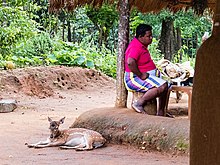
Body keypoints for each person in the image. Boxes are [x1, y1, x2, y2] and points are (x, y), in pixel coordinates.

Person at [124, 24, 168, 116]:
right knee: (162, 86)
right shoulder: (135, 47)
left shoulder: (141, 45)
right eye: (148, 36)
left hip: (145, 75)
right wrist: (141, 75)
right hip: (134, 78)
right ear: (140, 37)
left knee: (167, 85)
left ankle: (161, 112)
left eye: (151, 36)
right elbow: (130, 62)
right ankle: (139, 103)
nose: (151, 38)